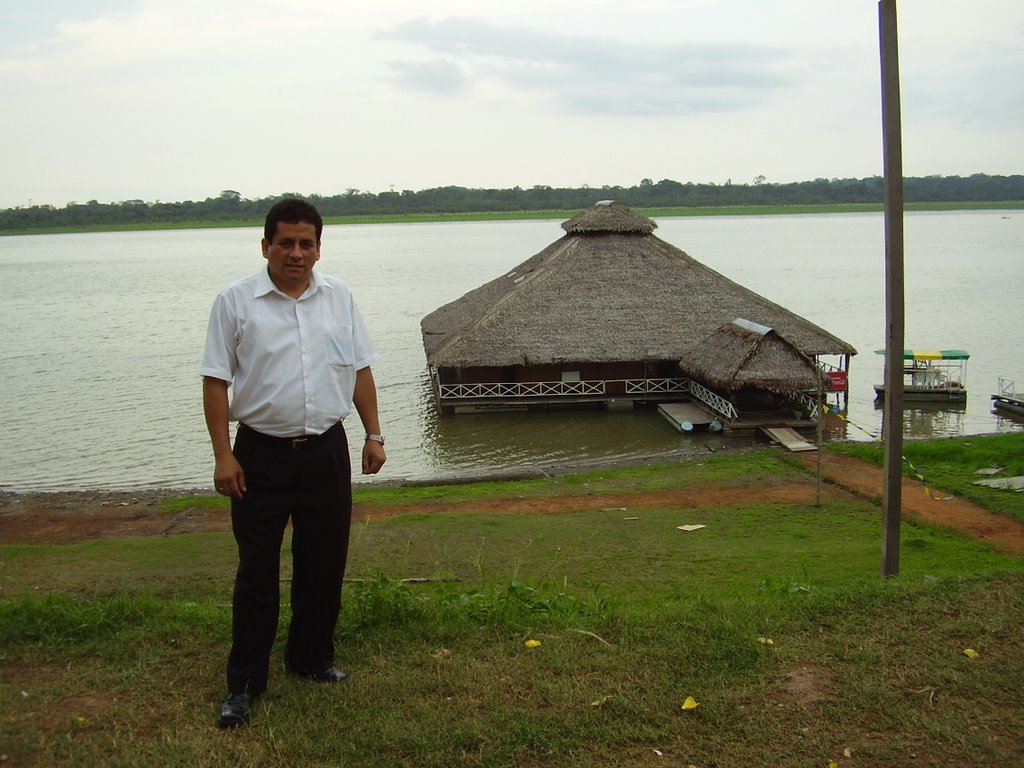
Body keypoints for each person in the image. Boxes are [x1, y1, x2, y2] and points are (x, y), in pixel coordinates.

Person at [200, 198, 386, 728]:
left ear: (319, 247)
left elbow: (360, 370)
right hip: (258, 454)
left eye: (307, 243)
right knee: (256, 570)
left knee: (323, 563)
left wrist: (373, 434)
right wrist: (223, 455)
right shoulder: (235, 301)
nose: (296, 253)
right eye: (285, 243)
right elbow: (216, 381)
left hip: (327, 449)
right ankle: (244, 684)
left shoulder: (340, 297)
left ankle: (311, 659)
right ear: (266, 247)